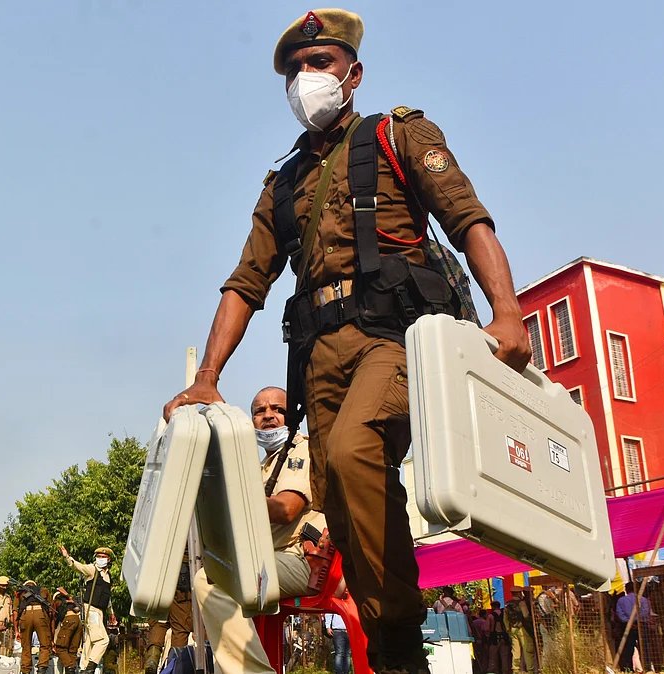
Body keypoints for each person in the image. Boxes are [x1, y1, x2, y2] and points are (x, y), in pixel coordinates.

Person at [161, 7, 530, 673]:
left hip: (397, 339)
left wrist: (509, 313)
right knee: (342, 501)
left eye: (320, 63)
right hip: (317, 361)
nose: (307, 78)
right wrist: (208, 376)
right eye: (297, 70)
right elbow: (247, 281)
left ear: (352, 73)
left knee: (360, 451)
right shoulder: (284, 183)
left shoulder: (399, 134)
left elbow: (467, 218)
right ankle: (392, 657)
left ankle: (397, 640)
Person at [191, 386, 327, 674]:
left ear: (292, 418)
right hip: (273, 559)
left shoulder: (300, 449)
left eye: (278, 410)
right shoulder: (265, 464)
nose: (269, 416)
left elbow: (286, 509)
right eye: (260, 411)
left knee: (213, 579)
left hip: (302, 560)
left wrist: (231, 494)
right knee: (218, 568)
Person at [60, 545, 117, 674]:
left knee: (89, 643)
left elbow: (107, 598)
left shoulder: (108, 576)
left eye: (103, 557)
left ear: (108, 559)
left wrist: (111, 613)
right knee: (103, 640)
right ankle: (90, 668)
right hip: (91, 609)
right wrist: (67, 557)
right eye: (98, 557)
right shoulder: (92, 570)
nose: (100, 559)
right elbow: (78, 566)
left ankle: (83, 668)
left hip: (100, 612)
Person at [144, 554, 193, 674]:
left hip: (159, 579)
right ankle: (175, 663)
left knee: (158, 622)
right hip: (182, 581)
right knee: (180, 629)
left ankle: (152, 660)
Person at [614, 582, 653, 671]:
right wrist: (637, 622)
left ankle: (629, 668)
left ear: (626, 590)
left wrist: (629, 622)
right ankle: (647, 668)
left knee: (628, 649)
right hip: (642, 626)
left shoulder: (621, 600)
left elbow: (620, 614)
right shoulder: (643, 600)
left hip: (628, 627)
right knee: (644, 648)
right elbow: (645, 613)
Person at [17, 580, 53, 674]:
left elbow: (15, 611)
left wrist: (16, 629)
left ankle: (25, 670)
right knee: (45, 644)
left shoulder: (20, 592)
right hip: (40, 615)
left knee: (26, 646)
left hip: (25, 615)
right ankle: (42, 668)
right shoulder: (44, 590)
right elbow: (51, 609)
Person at [504, 591, 537, 674]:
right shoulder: (521, 603)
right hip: (522, 628)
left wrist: (508, 628)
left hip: (512, 628)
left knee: (515, 650)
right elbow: (525, 616)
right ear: (519, 593)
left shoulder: (507, 604)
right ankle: (530, 669)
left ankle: (515, 669)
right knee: (527, 649)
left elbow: (505, 618)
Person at [52, 588, 84, 674]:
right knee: (72, 651)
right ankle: (71, 669)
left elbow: (54, 619)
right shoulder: (72, 601)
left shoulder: (57, 602)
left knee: (60, 648)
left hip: (69, 620)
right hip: (78, 621)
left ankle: (69, 668)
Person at [484, 603, 510, 674]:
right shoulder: (504, 615)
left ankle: (493, 669)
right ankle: (505, 670)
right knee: (504, 656)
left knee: (493, 655)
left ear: (493, 607)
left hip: (494, 638)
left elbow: (487, 628)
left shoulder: (490, 616)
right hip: (504, 637)